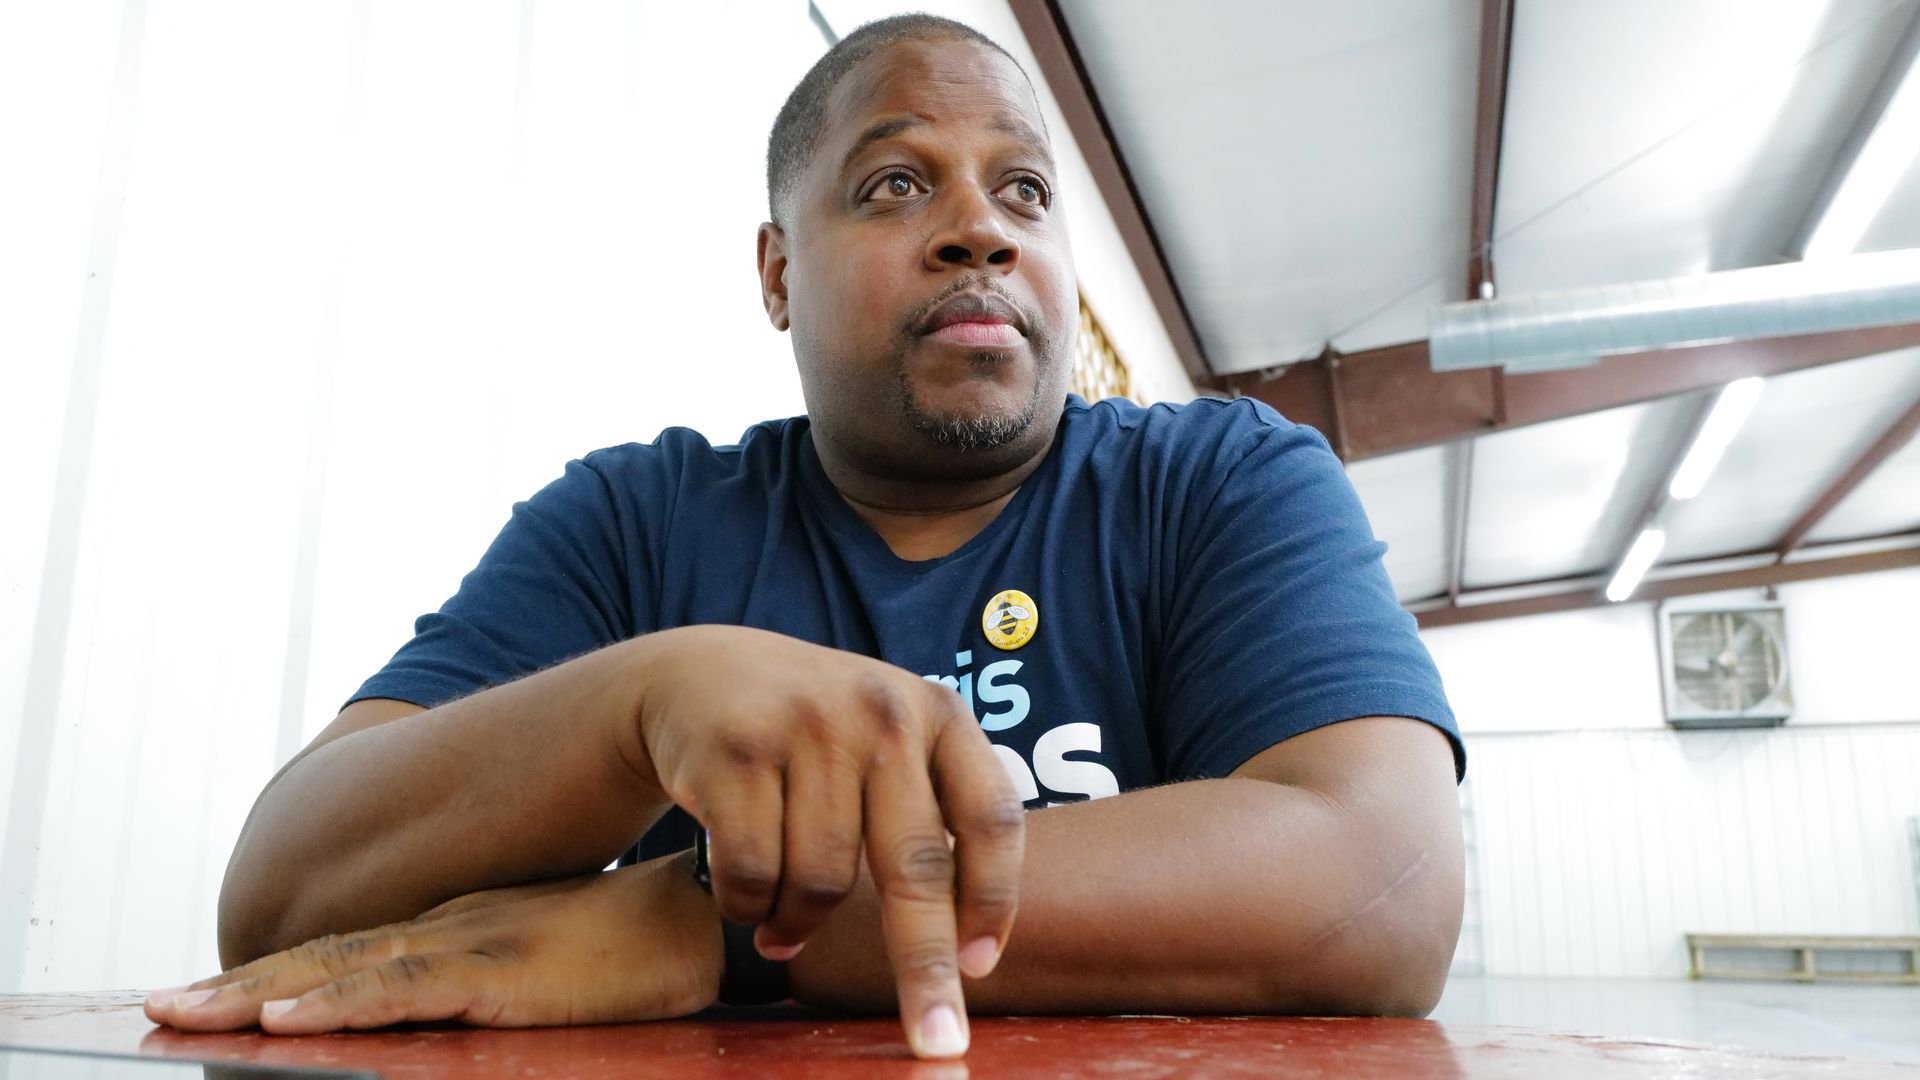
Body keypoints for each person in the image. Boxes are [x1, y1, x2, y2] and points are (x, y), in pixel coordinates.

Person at [143, 14, 1465, 1061]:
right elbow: (282, 897)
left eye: (1024, 190)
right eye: (896, 183)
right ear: (777, 273)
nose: (980, 231)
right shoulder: (638, 522)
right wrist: (636, 701)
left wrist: (705, 922)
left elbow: (1380, 880)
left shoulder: (1222, 479)